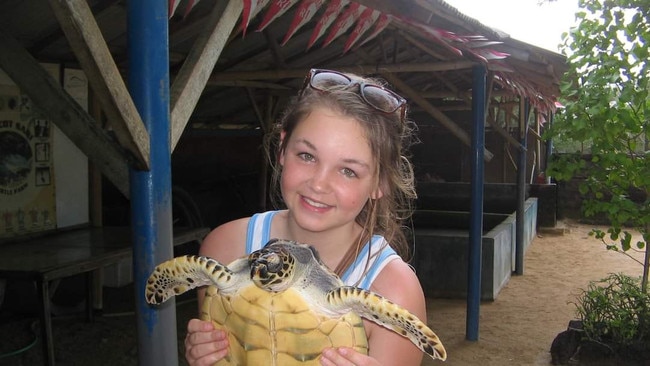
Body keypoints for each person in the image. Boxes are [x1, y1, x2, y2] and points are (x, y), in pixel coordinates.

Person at [184, 68, 425, 366]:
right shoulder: (224, 249)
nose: (319, 184)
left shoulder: (393, 294)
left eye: (348, 170)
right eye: (307, 156)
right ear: (283, 147)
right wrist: (204, 355)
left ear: (380, 183)